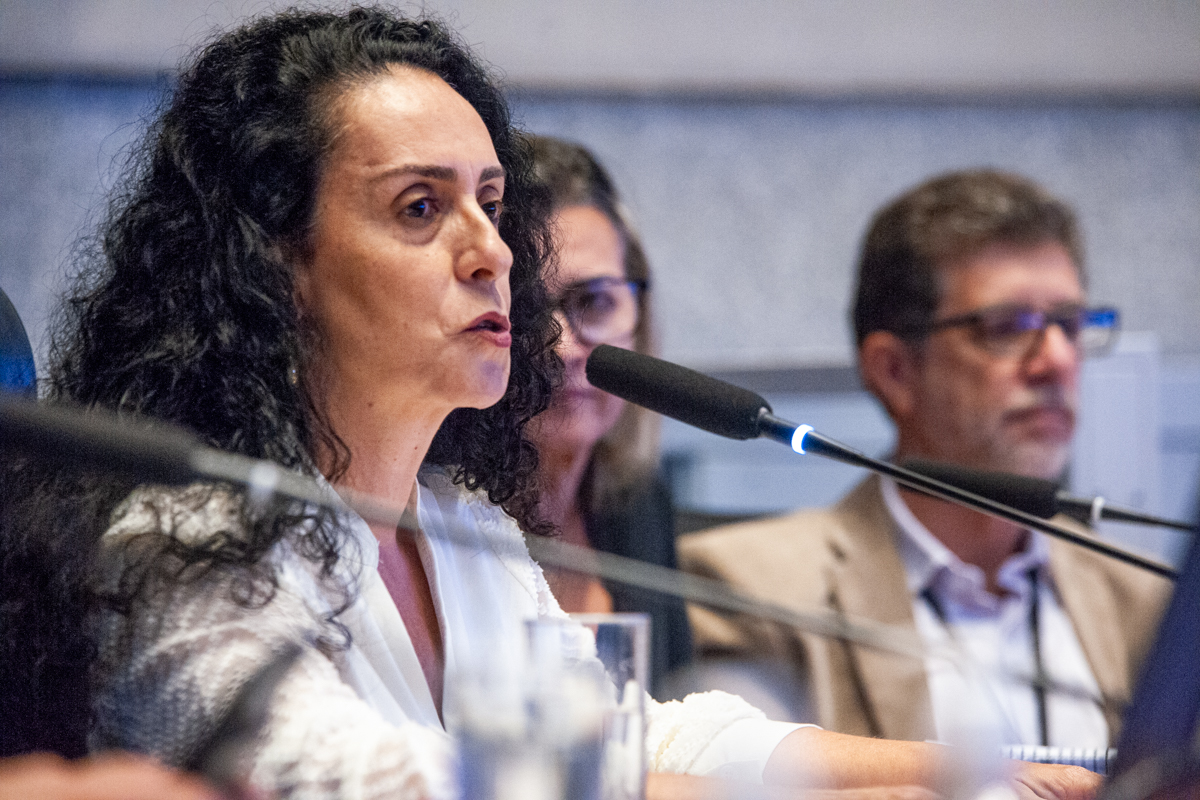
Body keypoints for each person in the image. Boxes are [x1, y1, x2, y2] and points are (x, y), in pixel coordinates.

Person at [3, 11, 1100, 797]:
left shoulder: (466, 528)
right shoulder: (176, 537)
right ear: (275, 259)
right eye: (420, 207)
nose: (491, 251)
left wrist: (979, 772)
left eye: (490, 202)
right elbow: (348, 777)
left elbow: (639, 738)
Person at [680, 170, 1173, 747]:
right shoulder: (750, 590)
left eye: (1070, 325)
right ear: (895, 372)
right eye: (1008, 327)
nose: (1057, 361)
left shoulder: (1144, 598)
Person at [525, 135, 691, 694]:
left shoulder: (639, 504)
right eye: (526, 310)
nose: (561, 348)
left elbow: (682, 712)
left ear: (638, 316)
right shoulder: (436, 518)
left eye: (593, 302)